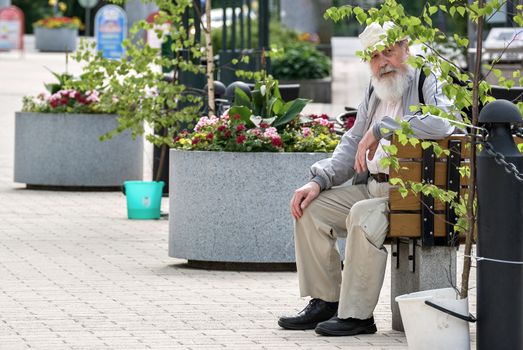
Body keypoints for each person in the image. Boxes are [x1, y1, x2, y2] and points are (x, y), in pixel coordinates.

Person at [278, 22, 459, 336]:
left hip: (410, 194)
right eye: (374, 57)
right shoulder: (376, 88)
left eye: (388, 51)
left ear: (405, 48)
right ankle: (327, 301)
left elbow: (445, 122)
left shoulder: (428, 76)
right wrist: (318, 180)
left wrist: (384, 128)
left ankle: (358, 315)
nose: (382, 62)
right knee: (310, 208)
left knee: (362, 216)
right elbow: (353, 141)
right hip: (373, 186)